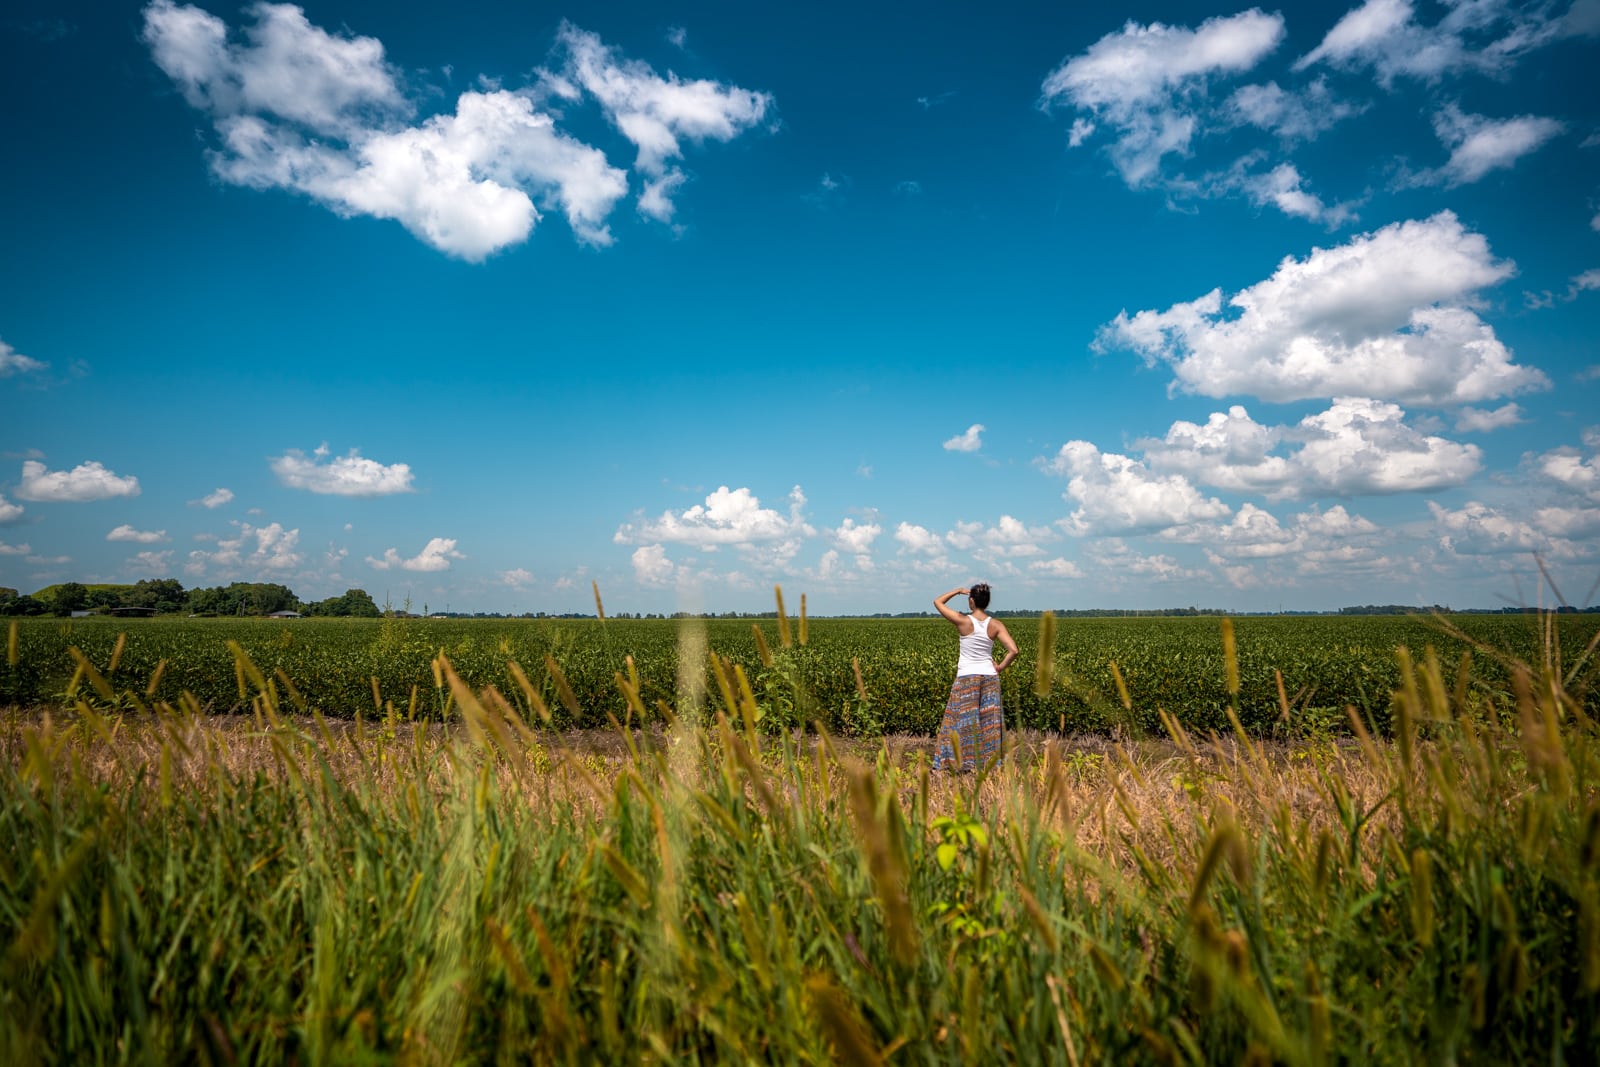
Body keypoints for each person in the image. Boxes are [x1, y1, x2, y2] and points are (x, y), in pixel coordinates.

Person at [932, 583, 1018, 772]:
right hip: (989, 677)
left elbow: (937, 602)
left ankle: (960, 763)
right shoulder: (996, 625)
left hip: (966, 677)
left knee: (959, 720)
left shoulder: (964, 621)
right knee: (989, 723)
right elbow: (1013, 650)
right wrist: (1000, 667)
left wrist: (956, 591)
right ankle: (989, 765)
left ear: (971, 601)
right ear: (987, 602)